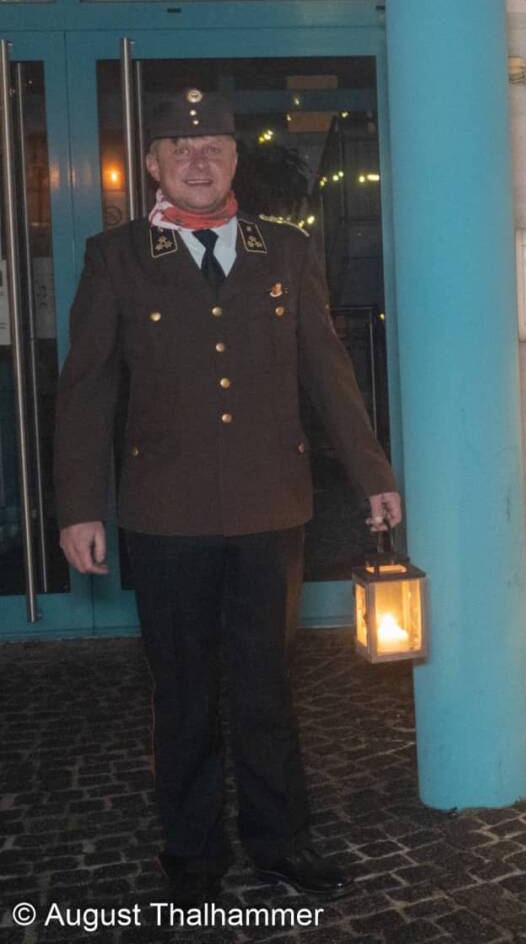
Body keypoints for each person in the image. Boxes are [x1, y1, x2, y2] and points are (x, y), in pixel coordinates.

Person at [54, 90, 402, 906]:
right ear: (153, 165)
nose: (199, 158)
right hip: (164, 513)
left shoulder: (284, 251)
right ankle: (193, 854)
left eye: (213, 143)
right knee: (181, 692)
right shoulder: (117, 257)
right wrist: (78, 505)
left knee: (265, 688)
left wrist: (373, 474)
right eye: (181, 147)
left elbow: (327, 370)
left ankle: (282, 844)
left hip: (270, 507)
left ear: (236, 158)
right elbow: (86, 390)